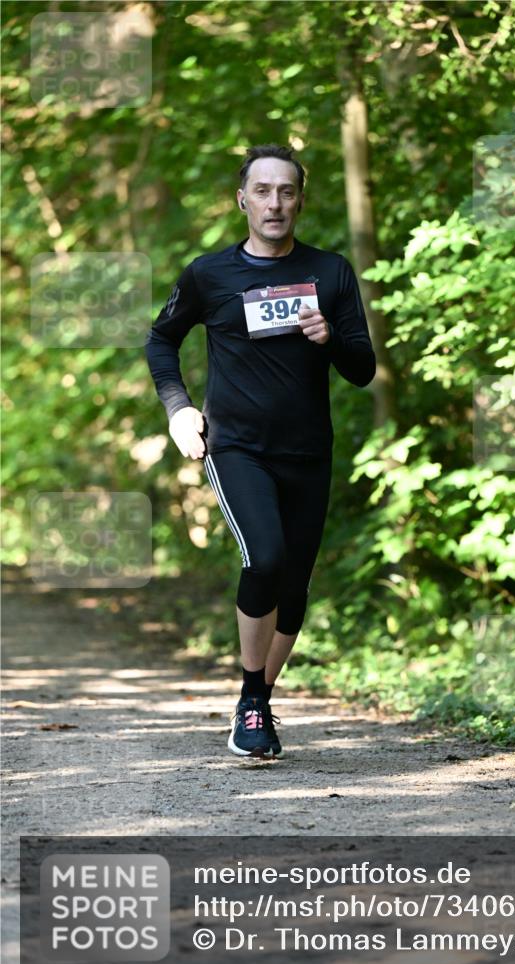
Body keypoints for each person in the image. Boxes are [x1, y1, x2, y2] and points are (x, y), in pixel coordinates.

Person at [144, 143, 376, 760]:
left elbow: (363, 369)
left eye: (287, 192)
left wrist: (330, 337)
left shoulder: (330, 272)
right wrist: (179, 409)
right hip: (236, 447)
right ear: (242, 200)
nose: (275, 203)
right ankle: (252, 700)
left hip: (309, 450)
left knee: (295, 587)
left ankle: (257, 704)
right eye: (264, 191)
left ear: (300, 201)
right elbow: (161, 339)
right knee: (265, 557)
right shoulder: (209, 274)